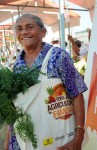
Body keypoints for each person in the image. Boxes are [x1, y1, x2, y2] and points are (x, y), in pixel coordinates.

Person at [4, 14, 87, 150]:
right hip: (21, 139)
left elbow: (77, 94)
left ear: (43, 32)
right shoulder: (17, 64)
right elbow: (16, 107)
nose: (24, 32)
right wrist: (8, 139)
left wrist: (79, 136)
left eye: (29, 27)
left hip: (53, 137)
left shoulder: (58, 56)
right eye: (19, 29)